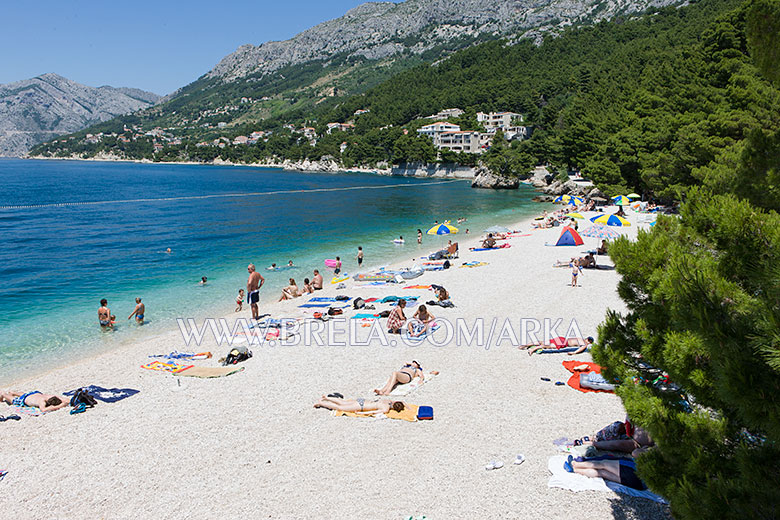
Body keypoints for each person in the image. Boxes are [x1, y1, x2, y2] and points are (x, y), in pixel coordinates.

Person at [564, 457, 647, 491]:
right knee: (602, 473)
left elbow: (635, 453)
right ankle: (575, 470)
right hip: (640, 484)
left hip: (635, 470)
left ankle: (575, 464)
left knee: (603, 464)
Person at [374, 360, 439, 395]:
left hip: (407, 376)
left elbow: (422, 376)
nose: (413, 363)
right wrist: (411, 364)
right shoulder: (407, 366)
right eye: (413, 362)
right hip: (401, 375)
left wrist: (421, 380)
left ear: (418, 365)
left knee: (394, 373)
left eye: (415, 363)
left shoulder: (417, 370)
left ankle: (388, 391)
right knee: (391, 380)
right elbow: (405, 362)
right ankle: (382, 391)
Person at [314, 395, 406, 415]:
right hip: (361, 407)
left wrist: (405, 405)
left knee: (343, 402)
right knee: (340, 407)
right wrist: (360, 413)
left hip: (362, 401)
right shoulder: (386, 409)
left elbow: (402, 401)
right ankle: (321, 403)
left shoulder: (387, 401)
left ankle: (326, 398)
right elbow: (373, 412)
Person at [1, 391, 69, 413]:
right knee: (13, 400)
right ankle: (3, 394)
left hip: (34, 393)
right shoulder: (42, 402)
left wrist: (64, 402)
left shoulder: (51, 396)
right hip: (24, 400)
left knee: (25, 395)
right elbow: (43, 409)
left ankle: (14, 392)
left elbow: (66, 400)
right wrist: (60, 406)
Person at [520, 336, 594, 356]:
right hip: (564, 343)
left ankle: (526, 345)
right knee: (546, 346)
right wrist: (574, 353)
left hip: (562, 338)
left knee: (542, 342)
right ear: (589, 342)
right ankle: (532, 350)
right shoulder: (584, 344)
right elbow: (580, 349)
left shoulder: (580, 338)